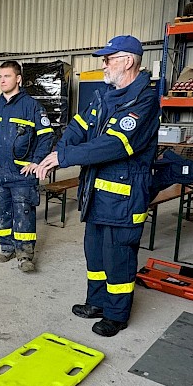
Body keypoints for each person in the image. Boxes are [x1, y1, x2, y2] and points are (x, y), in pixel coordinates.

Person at [26, 35, 160, 337]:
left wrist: (65, 156)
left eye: (108, 59)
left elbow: (115, 144)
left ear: (127, 61)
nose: (103, 65)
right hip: (97, 193)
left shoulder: (145, 101)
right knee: (96, 252)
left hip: (124, 198)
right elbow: (79, 126)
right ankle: (97, 302)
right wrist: (60, 148)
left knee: (119, 255)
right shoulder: (105, 96)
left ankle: (116, 314)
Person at [0, 60, 55, 272]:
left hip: (22, 176)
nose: (2, 80)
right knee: (0, 213)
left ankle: (25, 255)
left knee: (24, 213)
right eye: (0, 76)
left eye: (7, 76)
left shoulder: (32, 107)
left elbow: (46, 137)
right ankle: (6, 247)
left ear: (18, 79)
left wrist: (36, 161)